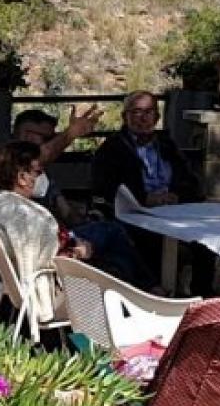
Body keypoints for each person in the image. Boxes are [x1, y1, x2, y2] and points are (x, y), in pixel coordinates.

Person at [11, 103, 144, 284]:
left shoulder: (40, 174)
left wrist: (85, 218)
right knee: (113, 232)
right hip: (47, 251)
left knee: (114, 248)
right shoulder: (12, 167)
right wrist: (70, 135)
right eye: (40, 136)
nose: (45, 142)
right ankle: (151, 289)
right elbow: (40, 156)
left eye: (50, 137)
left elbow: (65, 210)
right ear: (23, 134)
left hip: (54, 241)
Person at [0, 140, 92, 325]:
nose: (42, 178)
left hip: (13, 282)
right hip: (46, 288)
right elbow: (49, 259)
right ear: (22, 178)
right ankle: (93, 348)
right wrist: (78, 252)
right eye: (38, 172)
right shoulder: (30, 218)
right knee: (109, 275)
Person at [90, 91, 202, 207]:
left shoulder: (166, 145)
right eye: (136, 112)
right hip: (134, 212)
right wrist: (144, 199)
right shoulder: (112, 149)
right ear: (124, 117)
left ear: (157, 117)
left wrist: (177, 196)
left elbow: (189, 180)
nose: (143, 118)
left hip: (172, 210)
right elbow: (106, 189)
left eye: (149, 112)